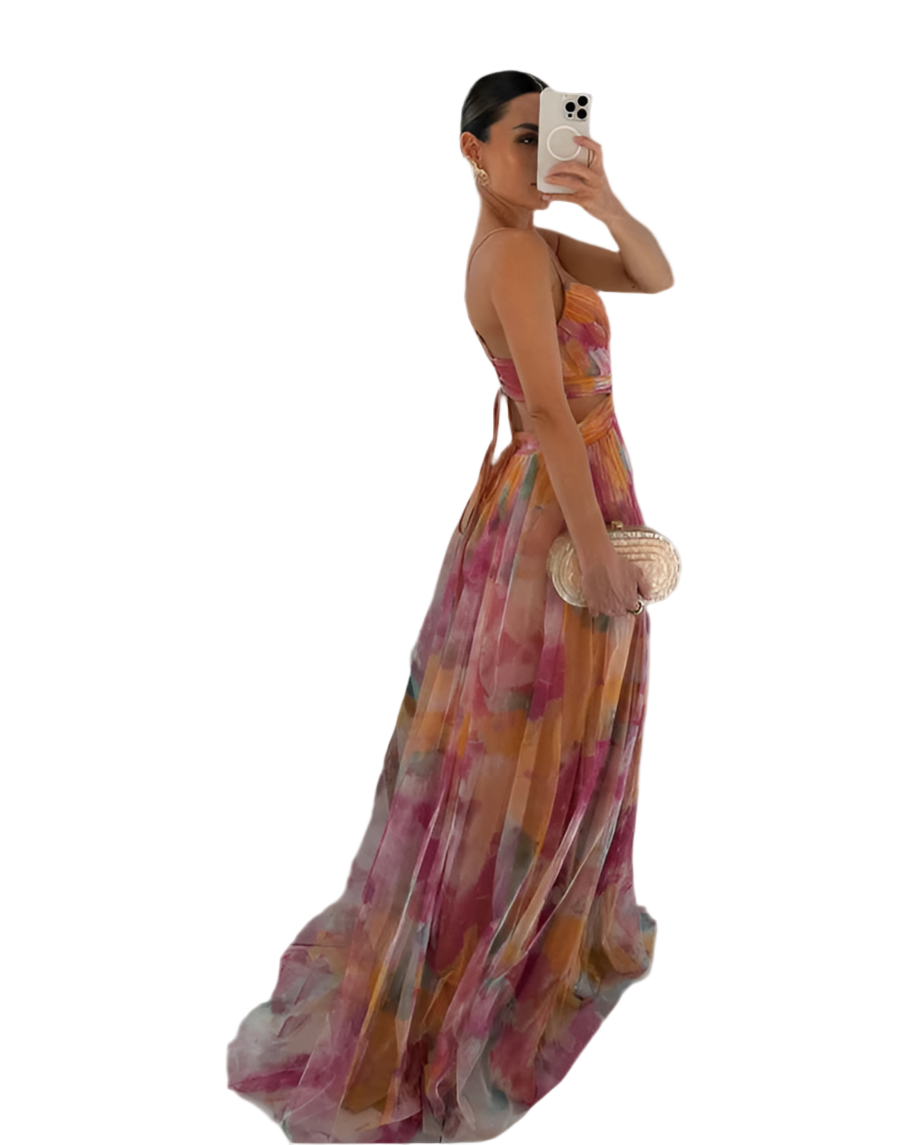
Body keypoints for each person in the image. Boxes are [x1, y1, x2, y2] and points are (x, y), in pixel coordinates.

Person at [226, 69, 675, 1144]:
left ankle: (529, 916)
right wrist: (596, 552)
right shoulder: (513, 256)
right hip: (557, 507)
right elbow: (552, 415)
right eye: (523, 137)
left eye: (551, 134)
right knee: (531, 734)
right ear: (470, 150)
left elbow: (654, 275)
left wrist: (604, 197)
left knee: (540, 729)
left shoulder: (540, 242)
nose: (540, 152)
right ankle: (491, 947)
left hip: (563, 494)